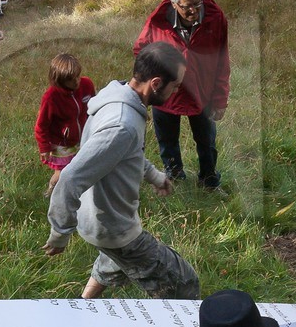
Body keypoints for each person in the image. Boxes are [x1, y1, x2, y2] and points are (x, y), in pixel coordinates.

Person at [43, 43, 200, 299]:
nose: (177, 91)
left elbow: (126, 155)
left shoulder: (116, 96)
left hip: (98, 219)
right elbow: (70, 177)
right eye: (176, 86)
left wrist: (155, 177)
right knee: (184, 284)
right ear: (157, 83)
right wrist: (60, 232)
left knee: (113, 262)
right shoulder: (122, 124)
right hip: (111, 227)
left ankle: (81, 309)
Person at [133, 0, 230, 191]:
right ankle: (174, 179)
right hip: (167, 95)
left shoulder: (215, 18)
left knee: (207, 142)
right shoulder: (158, 22)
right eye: (187, 6)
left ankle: (209, 182)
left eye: (198, 4)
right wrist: (155, 83)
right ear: (174, 3)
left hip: (202, 91)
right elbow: (141, 51)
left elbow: (223, 60)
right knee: (167, 142)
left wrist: (220, 98)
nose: (194, 11)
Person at [34, 52, 95, 195]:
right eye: (70, 79)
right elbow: (41, 125)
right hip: (62, 143)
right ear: (59, 80)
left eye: (77, 76)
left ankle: (81, 194)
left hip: (84, 137)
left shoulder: (86, 84)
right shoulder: (51, 97)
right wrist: (44, 147)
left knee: (83, 167)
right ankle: (51, 191)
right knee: (63, 172)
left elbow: (94, 105)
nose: (76, 81)